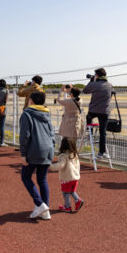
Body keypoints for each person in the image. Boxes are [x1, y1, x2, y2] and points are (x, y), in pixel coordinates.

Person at [19, 92, 54, 220]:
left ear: (31, 101)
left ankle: (40, 204)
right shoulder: (47, 113)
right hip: (48, 149)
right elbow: (51, 132)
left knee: (26, 176)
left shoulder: (27, 114)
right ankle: (45, 210)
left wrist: (23, 153)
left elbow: (24, 136)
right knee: (42, 179)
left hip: (34, 149)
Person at [83, 68, 113, 159]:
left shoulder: (94, 84)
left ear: (97, 75)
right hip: (105, 111)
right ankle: (101, 152)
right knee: (103, 132)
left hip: (93, 111)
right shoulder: (110, 85)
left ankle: (90, 133)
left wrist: (91, 81)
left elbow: (85, 90)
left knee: (88, 117)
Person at [50, 138, 84, 213]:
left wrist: (51, 166)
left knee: (65, 192)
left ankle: (67, 206)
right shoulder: (75, 155)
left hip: (67, 178)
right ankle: (78, 200)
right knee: (72, 191)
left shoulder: (63, 155)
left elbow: (61, 165)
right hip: (75, 177)